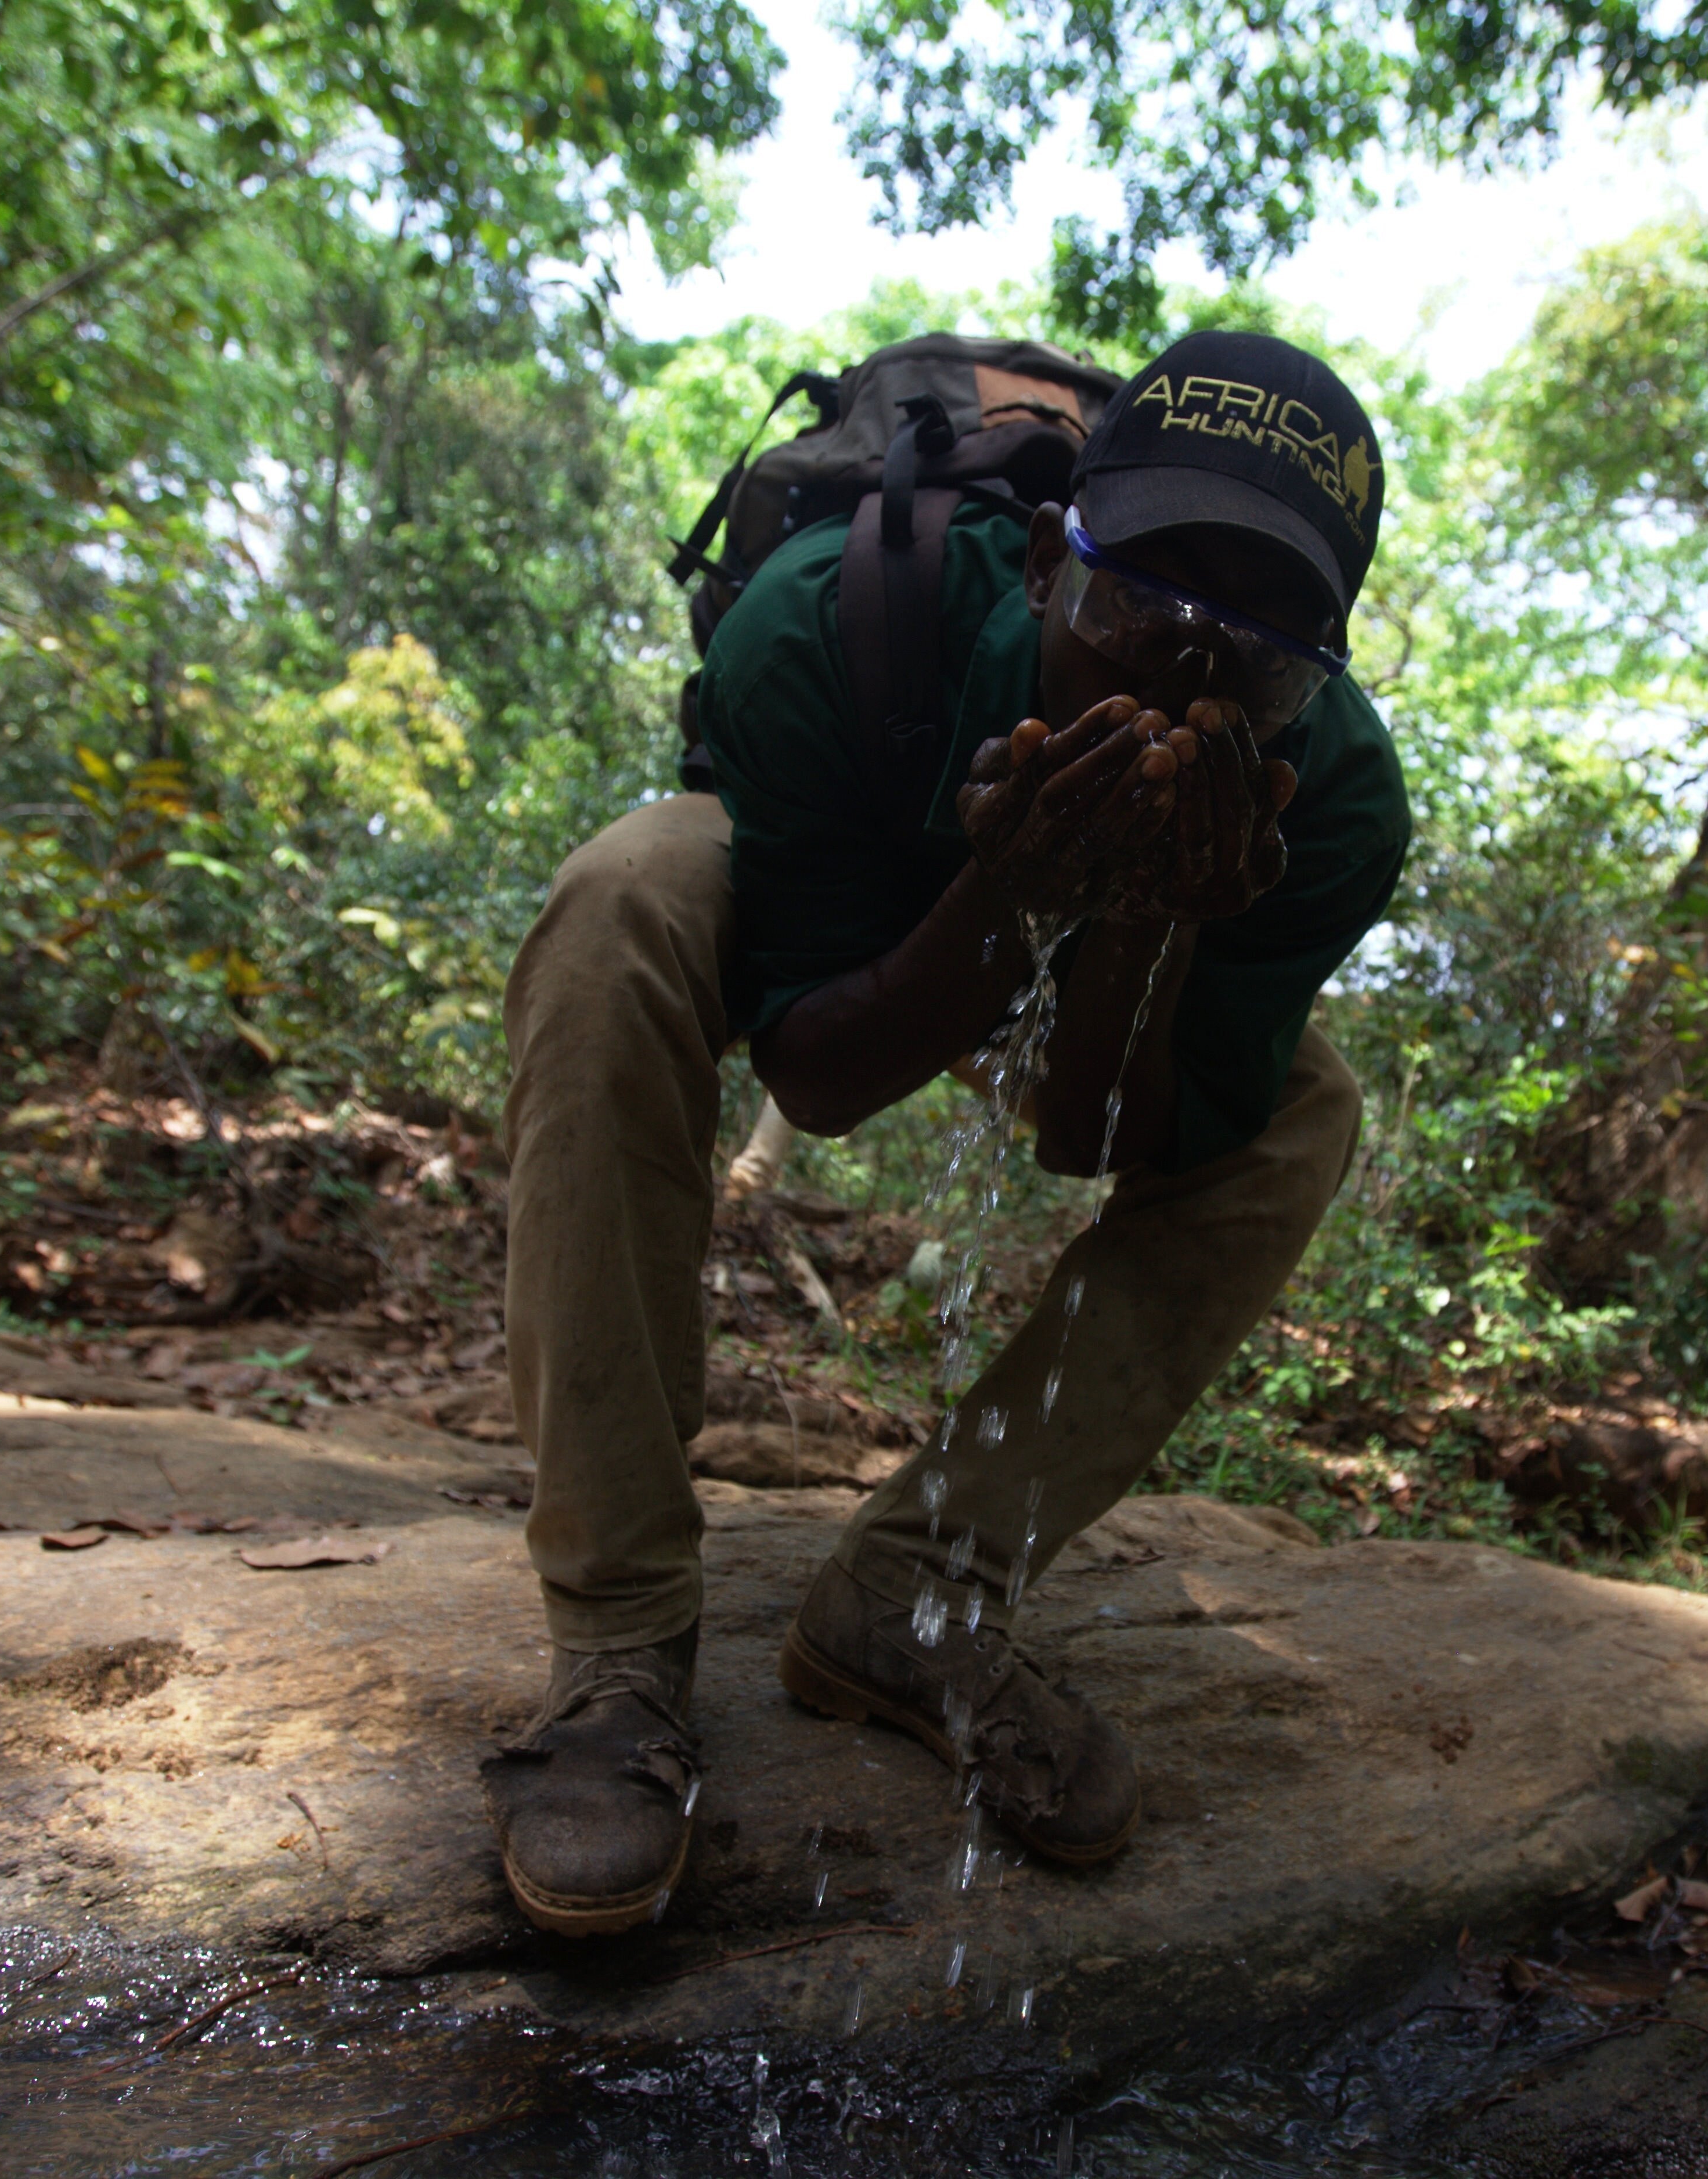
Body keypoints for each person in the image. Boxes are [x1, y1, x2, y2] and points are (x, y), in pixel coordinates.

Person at [481, 330, 1413, 1936]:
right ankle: (619, 1651)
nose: (1176, 686)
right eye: (1134, 612)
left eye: (1248, 667)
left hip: (1077, 943)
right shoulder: (836, 621)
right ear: (1054, 559)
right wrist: (1021, 883)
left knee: (1302, 1107)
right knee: (621, 899)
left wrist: (1147, 912)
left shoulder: (1329, 803)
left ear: (1313, 683)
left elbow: (1108, 1133)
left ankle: (921, 1588)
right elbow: (825, 1075)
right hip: (850, 916)